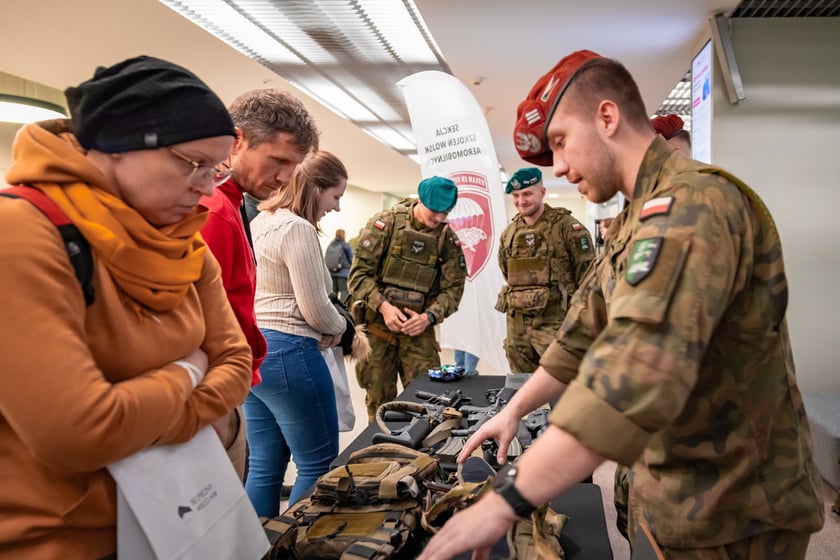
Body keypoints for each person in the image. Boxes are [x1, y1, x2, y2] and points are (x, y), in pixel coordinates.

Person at [419, 50, 824, 560]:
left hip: (733, 509)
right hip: (673, 485)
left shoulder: (692, 206)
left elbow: (633, 376)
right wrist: (517, 408)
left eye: (562, 141)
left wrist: (503, 503)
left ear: (607, 117)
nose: (561, 167)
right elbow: (581, 334)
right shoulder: (637, 217)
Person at [0, 56, 252, 559]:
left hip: (180, 519)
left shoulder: (183, 240)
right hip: (66, 541)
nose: (206, 188)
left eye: (216, 170)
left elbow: (236, 363)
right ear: (118, 146)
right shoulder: (20, 234)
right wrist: (187, 372)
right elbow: (79, 432)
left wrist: (140, 417)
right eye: (192, 164)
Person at [246, 150, 348, 514]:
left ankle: (256, 547)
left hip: (256, 351)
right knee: (317, 465)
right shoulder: (298, 228)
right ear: (315, 188)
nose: (335, 208)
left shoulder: (261, 221)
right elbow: (315, 308)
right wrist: (341, 329)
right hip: (290, 351)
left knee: (262, 466)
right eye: (335, 196)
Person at [349, 176, 467, 420]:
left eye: (445, 213)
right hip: (378, 330)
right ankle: (381, 452)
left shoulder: (448, 239)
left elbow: (454, 289)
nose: (438, 218)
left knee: (429, 400)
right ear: (420, 200)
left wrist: (428, 317)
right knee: (379, 400)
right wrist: (384, 307)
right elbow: (358, 276)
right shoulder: (386, 224)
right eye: (434, 211)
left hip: (418, 332)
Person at [496, 167, 594, 373]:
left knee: (563, 390)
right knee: (523, 390)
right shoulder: (509, 233)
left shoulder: (567, 228)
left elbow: (589, 279)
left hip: (557, 324)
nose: (521, 201)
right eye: (516, 195)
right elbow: (506, 271)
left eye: (527, 194)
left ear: (542, 192)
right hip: (518, 330)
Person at [227, 90, 319, 223]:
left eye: (294, 165)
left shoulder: (233, 205)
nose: (286, 179)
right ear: (237, 142)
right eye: (280, 161)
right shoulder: (215, 212)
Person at [325, 228, 353, 302]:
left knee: (334, 291)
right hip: (343, 273)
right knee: (344, 291)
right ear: (343, 235)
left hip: (332, 272)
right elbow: (351, 258)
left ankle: (333, 308)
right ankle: (343, 310)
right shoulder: (345, 245)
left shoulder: (331, 244)